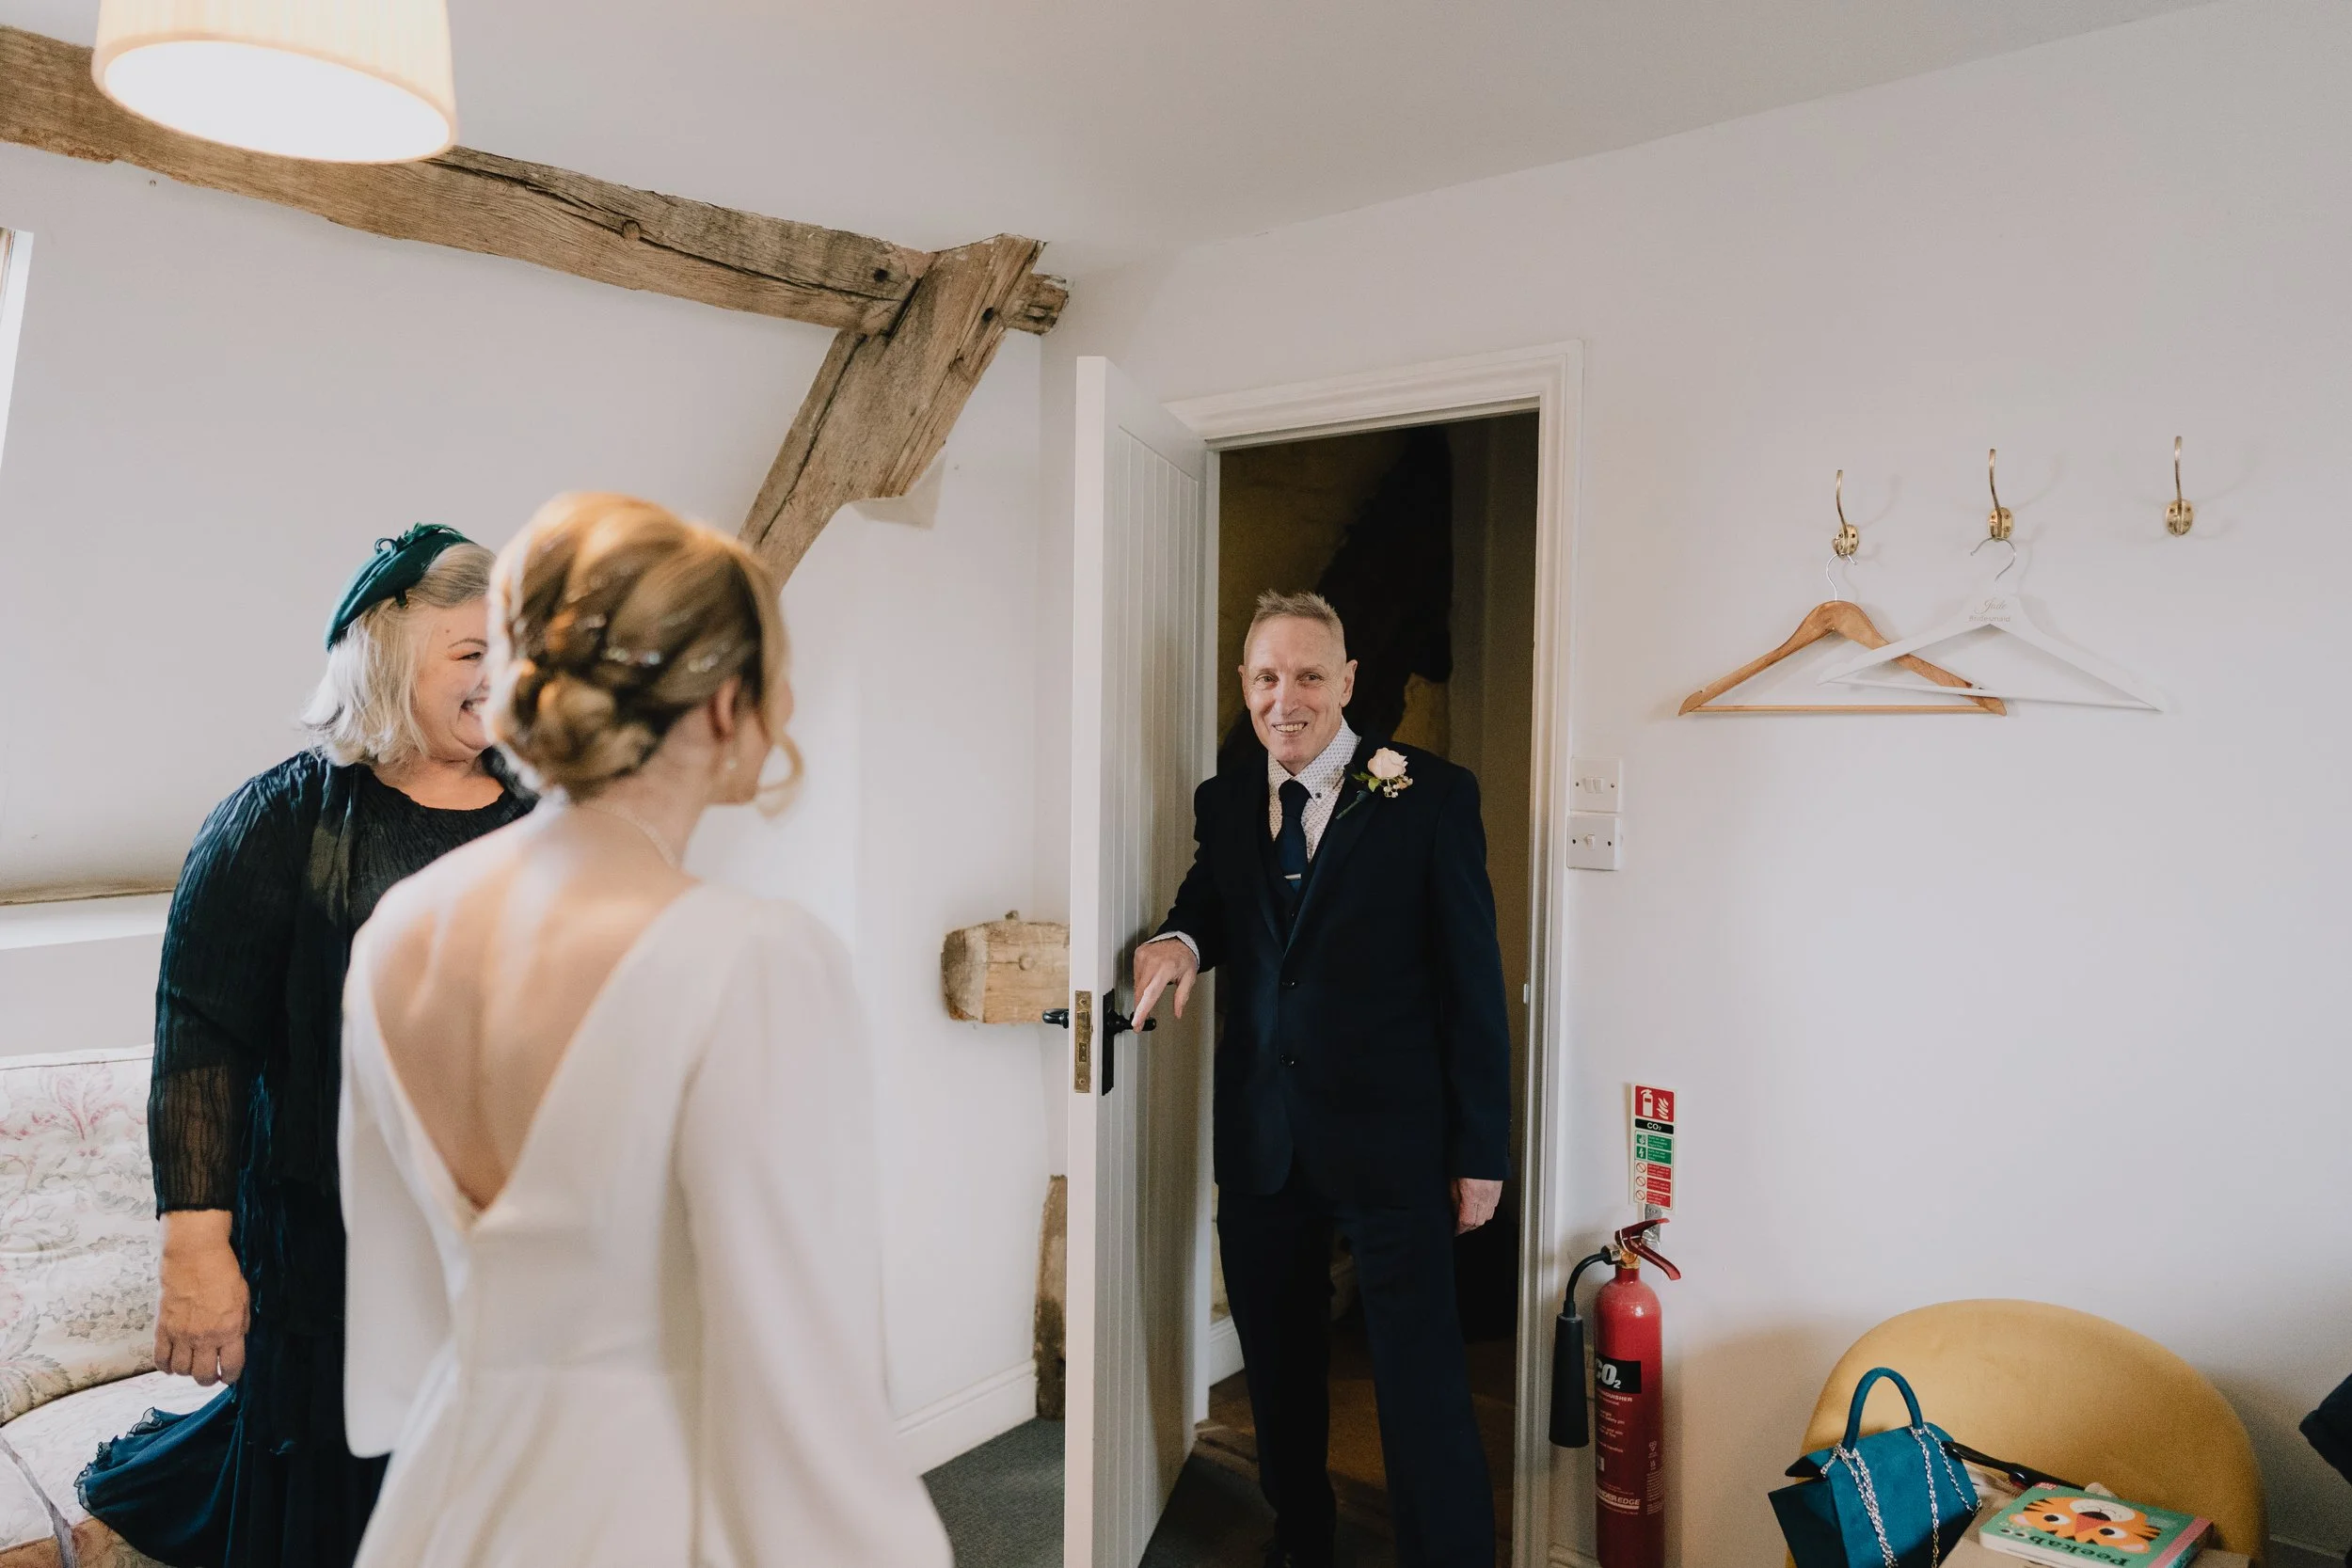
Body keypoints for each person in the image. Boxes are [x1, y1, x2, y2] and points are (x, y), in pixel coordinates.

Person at [334, 493, 950, 1568]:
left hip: (447, 1493)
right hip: (645, 1502)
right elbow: (805, 1380)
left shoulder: (396, 935)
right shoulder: (750, 956)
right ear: (721, 704)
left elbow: (399, 1305)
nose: (789, 701)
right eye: (775, 672)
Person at [81, 526, 534, 1568]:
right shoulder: (274, 822)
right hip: (333, 1247)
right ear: (384, 654)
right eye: (472, 652)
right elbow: (201, 1037)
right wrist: (195, 1253)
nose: (501, 675)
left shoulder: (544, 807)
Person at [1133, 590, 1513, 1568]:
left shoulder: (1429, 793)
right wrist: (1175, 942)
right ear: (1246, 686)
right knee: (1281, 1373)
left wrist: (1480, 1150)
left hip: (1395, 1142)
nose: (1284, 698)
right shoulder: (1224, 795)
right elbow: (1208, 899)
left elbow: (1473, 981)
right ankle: (1301, 1536)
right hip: (1263, 1134)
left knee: (1418, 1377)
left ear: (1347, 681)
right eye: (1265, 676)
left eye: (1307, 675)